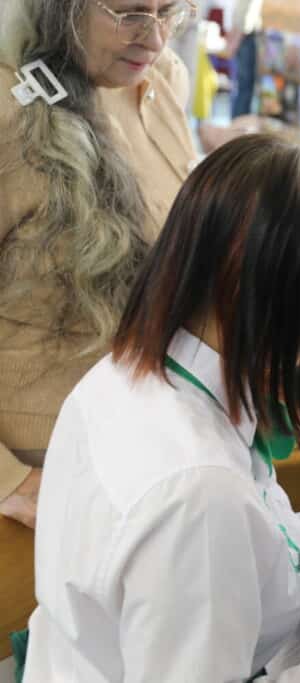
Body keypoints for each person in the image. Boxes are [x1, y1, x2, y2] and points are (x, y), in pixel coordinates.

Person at [25, 134, 300, 681]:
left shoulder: (134, 374)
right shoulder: (198, 488)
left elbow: (215, 562)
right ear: (283, 300)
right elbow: (205, 536)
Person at [0, 0, 199, 529]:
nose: (155, 39)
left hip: (147, 455)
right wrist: (10, 481)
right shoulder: (7, 110)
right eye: (130, 13)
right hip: (44, 479)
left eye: (170, 11)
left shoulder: (156, 81)